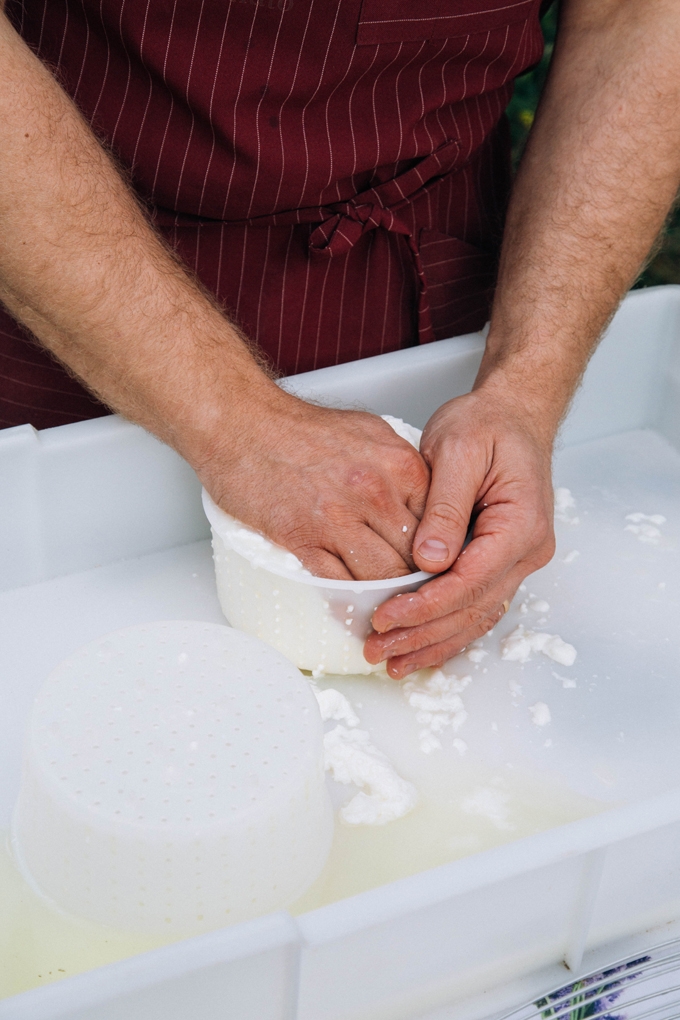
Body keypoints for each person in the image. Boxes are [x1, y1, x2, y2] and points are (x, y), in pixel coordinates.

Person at [1, 0, 679, 679]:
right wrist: (232, 421)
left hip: (440, 265)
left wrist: (525, 389)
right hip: (84, 272)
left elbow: (636, 15)